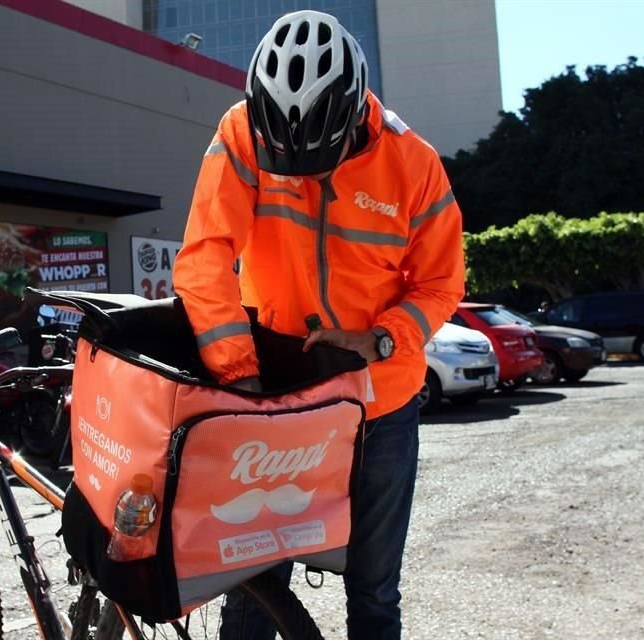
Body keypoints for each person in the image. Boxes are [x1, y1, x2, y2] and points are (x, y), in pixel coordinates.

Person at [172, 10, 465, 639]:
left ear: (354, 109)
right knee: (252, 586)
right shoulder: (241, 131)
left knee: (374, 590)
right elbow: (204, 257)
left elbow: (441, 283)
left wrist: (380, 337)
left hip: (379, 404)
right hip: (276, 399)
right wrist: (240, 378)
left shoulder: (414, 163)